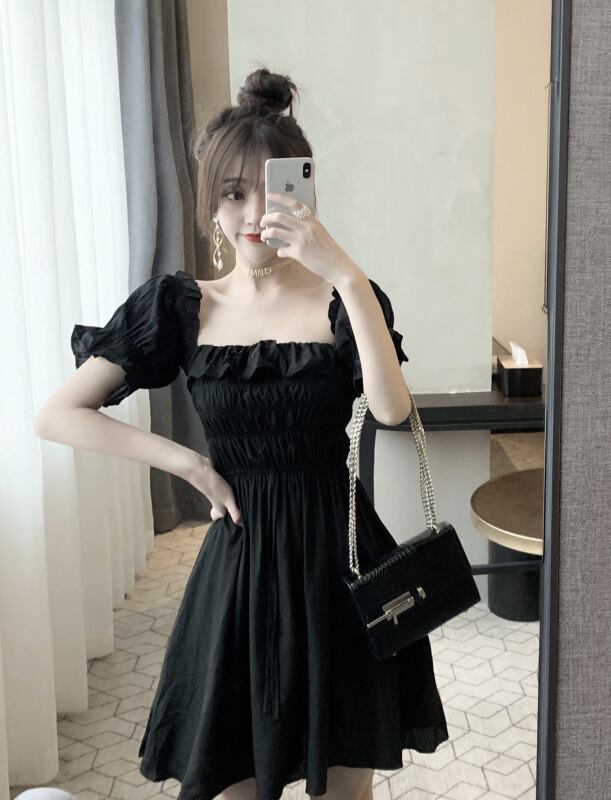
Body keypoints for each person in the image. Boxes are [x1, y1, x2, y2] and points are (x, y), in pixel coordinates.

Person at [34, 67, 448, 800]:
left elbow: (389, 410)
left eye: (272, 191)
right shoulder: (180, 306)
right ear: (211, 208)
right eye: (233, 194)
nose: (255, 213)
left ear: (304, 194)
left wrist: (347, 277)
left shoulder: (345, 298)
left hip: (338, 559)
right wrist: (189, 466)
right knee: (229, 774)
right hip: (239, 560)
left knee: (345, 783)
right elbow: (58, 413)